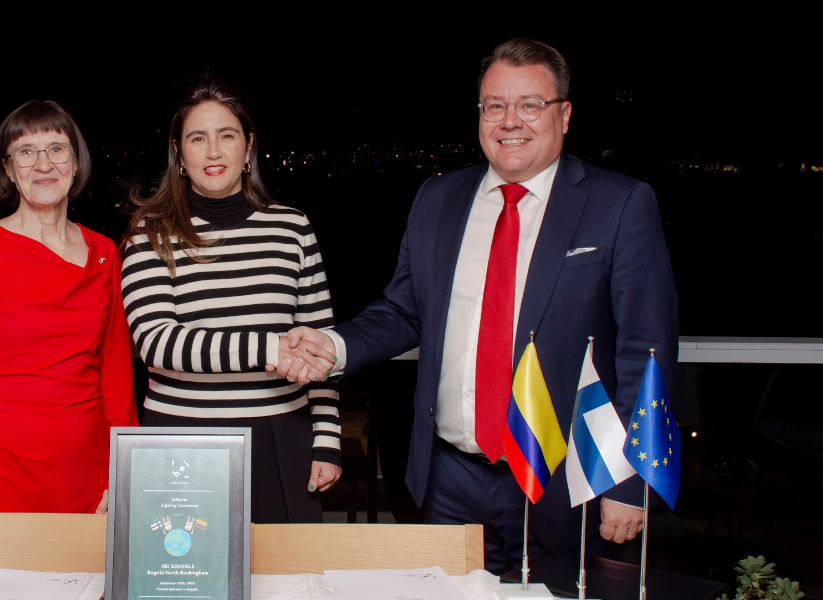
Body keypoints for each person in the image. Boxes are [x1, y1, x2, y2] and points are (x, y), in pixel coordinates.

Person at [278, 39, 679, 572]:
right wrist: (334, 344)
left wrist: (629, 481)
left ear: (564, 115)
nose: (511, 121)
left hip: (562, 482)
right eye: (495, 105)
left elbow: (645, 347)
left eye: (530, 104)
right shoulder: (437, 199)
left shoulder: (620, 204)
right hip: (447, 481)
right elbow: (403, 312)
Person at [120, 79, 341, 524]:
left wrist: (327, 440)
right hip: (181, 442)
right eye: (197, 139)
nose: (214, 151)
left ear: (248, 147)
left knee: (286, 587)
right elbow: (158, 344)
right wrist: (270, 349)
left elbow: (322, 345)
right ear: (180, 155)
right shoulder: (150, 232)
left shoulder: (292, 227)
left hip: (282, 437)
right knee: (183, 586)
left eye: (227, 135)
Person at [0, 100, 138, 514]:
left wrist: (125, 479)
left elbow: (117, 382)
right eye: (26, 152)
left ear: (76, 163)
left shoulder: (104, 253)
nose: (43, 164)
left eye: (57, 149)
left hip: (91, 480)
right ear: (8, 169)